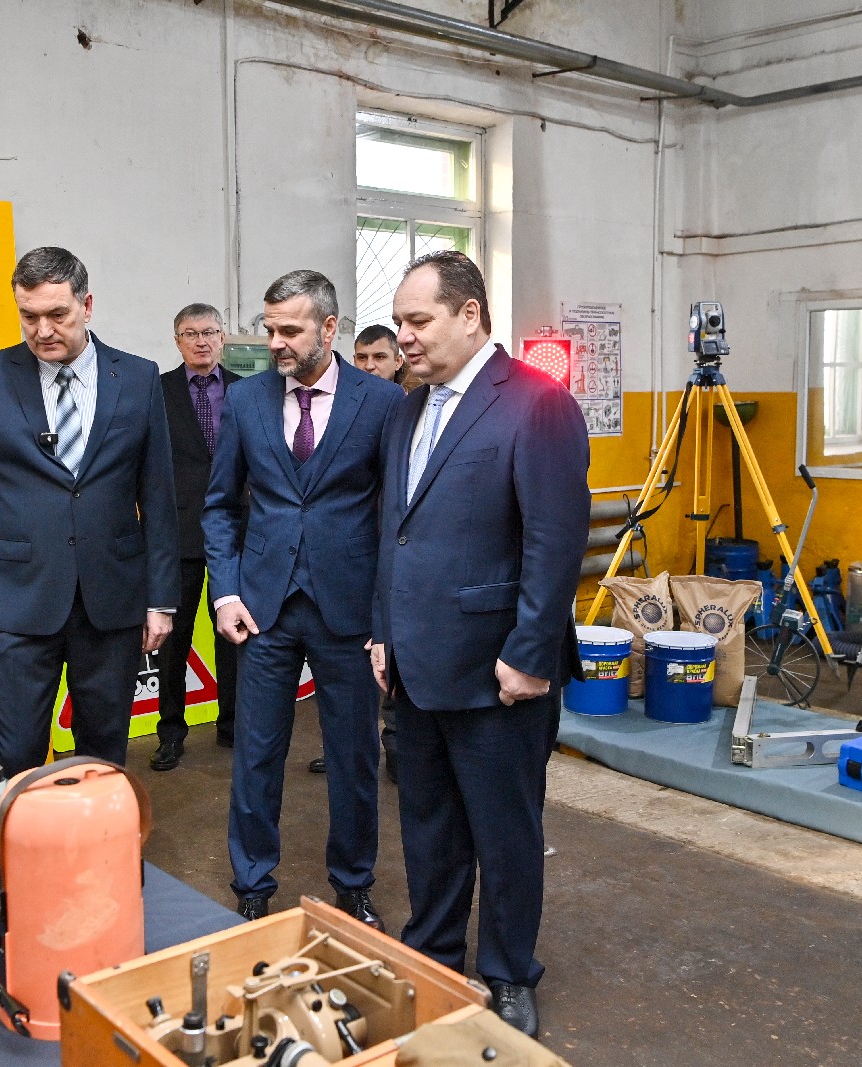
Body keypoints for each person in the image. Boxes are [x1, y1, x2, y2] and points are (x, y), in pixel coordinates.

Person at [371, 251, 590, 1039]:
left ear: (470, 315)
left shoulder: (537, 403)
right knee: (428, 825)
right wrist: (382, 630)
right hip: (416, 662)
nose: (405, 336)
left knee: (504, 832)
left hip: (499, 671)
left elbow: (554, 542)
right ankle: (431, 952)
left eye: (418, 320)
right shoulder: (407, 411)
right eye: (399, 322)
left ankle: (507, 970)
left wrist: (530, 653)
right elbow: (394, 533)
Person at [202, 269, 402, 927]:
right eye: (270, 329)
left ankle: (354, 882)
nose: (275, 342)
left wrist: (384, 616)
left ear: (329, 327)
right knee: (256, 752)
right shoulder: (247, 399)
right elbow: (220, 505)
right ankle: (252, 882)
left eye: (290, 329)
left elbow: (395, 517)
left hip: (349, 611)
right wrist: (226, 592)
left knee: (354, 756)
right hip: (264, 608)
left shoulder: (381, 402)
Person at [0, 247, 178, 777]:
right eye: (29, 316)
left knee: (104, 754)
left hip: (112, 600)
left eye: (57, 314)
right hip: (17, 602)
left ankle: (98, 831)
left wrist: (161, 599)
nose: (43, 330)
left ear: (86, 306)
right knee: (18, 752)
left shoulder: (139, 378)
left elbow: (159, 499)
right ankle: (19, 832)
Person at [150, 304, 242, 772]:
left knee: (234, 637)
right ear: (177, 341)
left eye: (209, 332)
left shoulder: (248, 391)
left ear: (223, 338)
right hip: (177, 532)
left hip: (236, 532)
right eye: (190, 333)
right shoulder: (157, 391)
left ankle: (233, 726)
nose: (201, 341)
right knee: (173, 643)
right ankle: (170, 733)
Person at [342, 324, 421, 783]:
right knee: (354, 663)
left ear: (398, 362)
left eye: (378, 358)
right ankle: (349, 746)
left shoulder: (412, 411)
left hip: (396, 553)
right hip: (354, 554)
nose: (369, 367)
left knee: (393, 655)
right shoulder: (346, 409)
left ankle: (397, 748)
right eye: (361, 358)